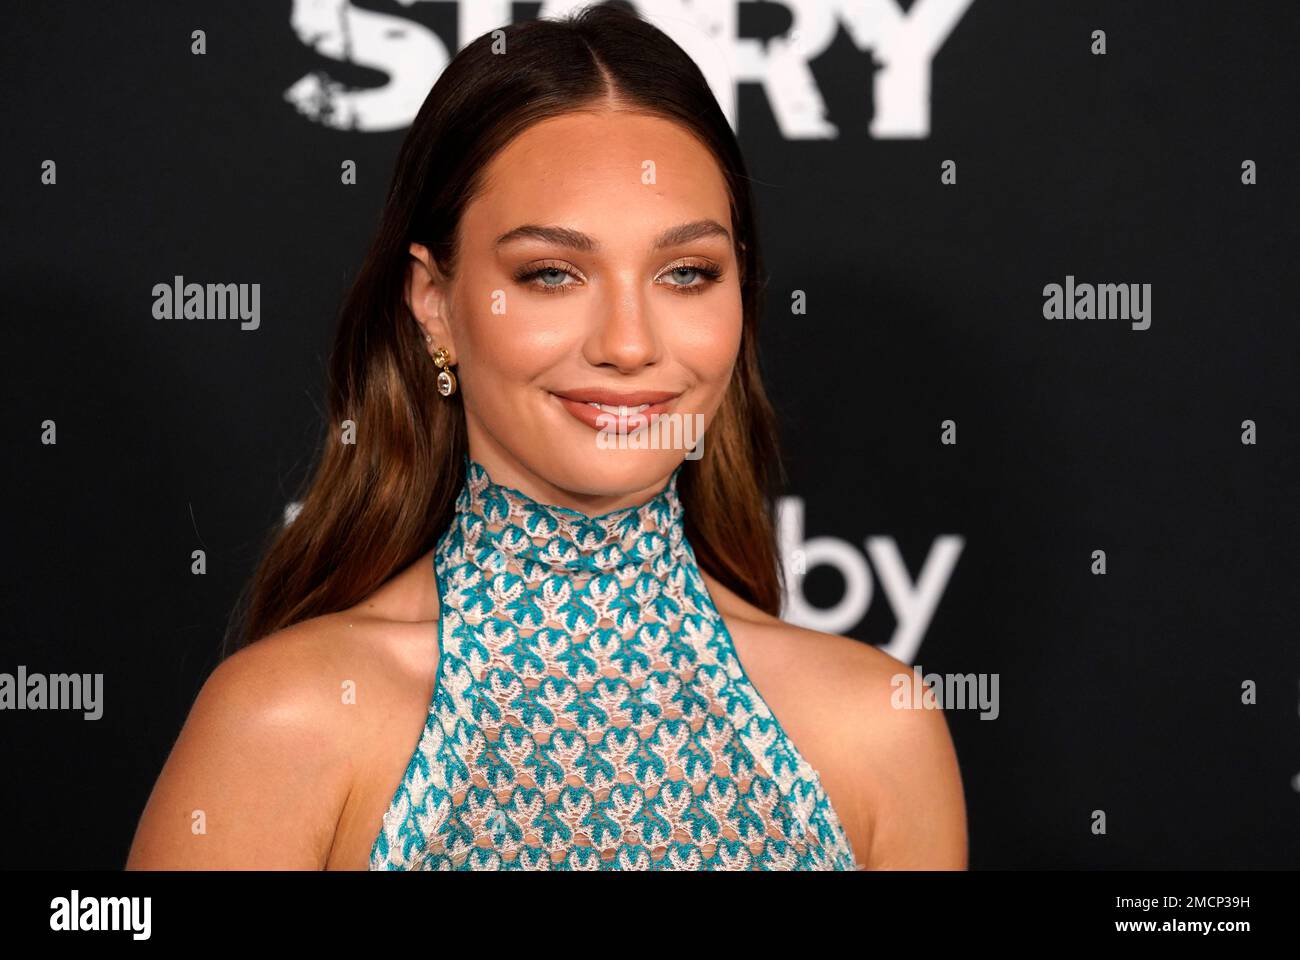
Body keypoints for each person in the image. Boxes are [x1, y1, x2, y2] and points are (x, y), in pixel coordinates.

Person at [126, 2, 966, 871]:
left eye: (687, 273)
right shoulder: (289, 721)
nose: (630, 344)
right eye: (551, 275)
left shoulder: (878, 727)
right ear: (435, 305)